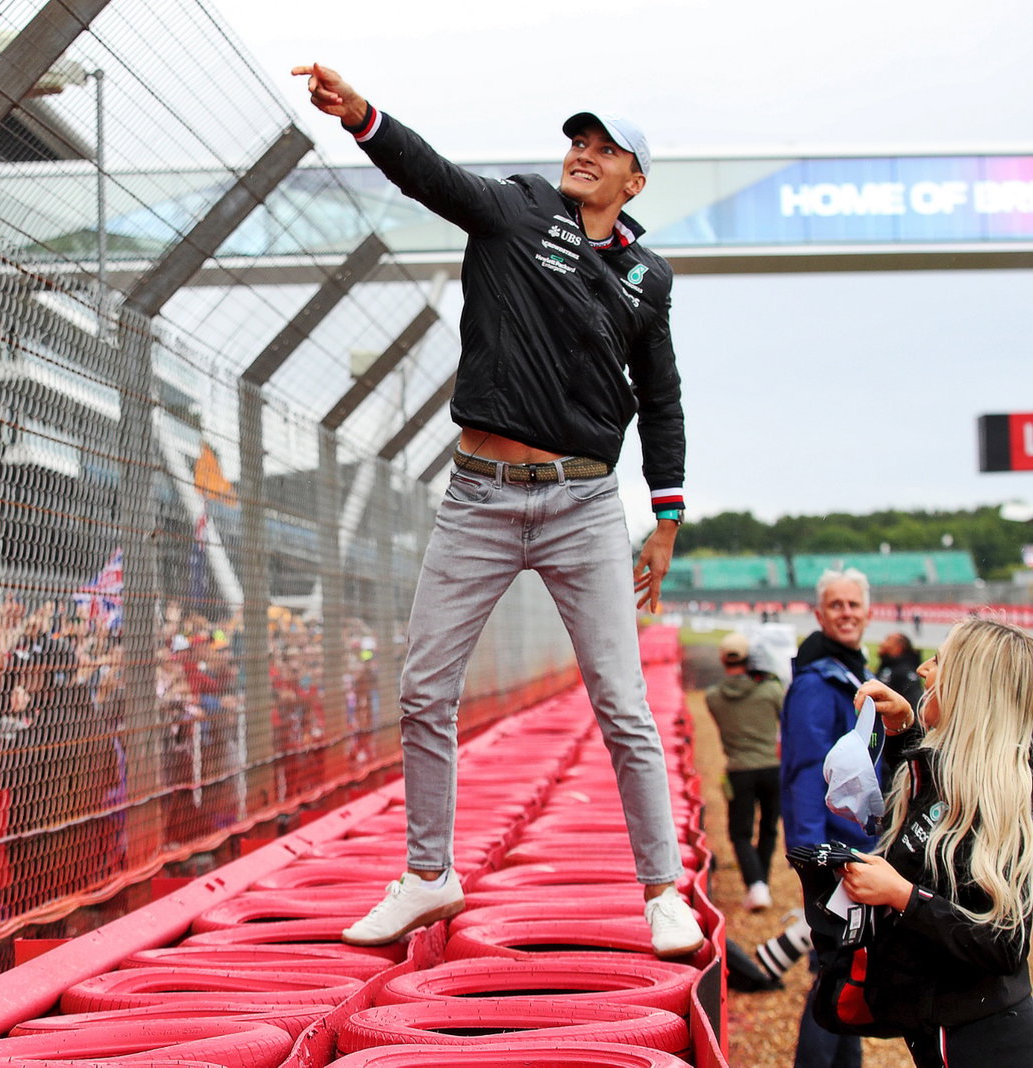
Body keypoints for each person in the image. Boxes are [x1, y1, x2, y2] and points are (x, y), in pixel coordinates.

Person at [294, 63, 702, 958]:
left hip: (585, 503)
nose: (585, 154)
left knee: (623, 705)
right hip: (478, 496)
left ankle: (661, 891)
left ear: (635, 180)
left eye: (606, 148)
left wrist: (665, 520)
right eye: (578, 141)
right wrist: (363, 116)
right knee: (423, 689)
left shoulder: (649, 280)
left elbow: (662, 400)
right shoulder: (520, 209)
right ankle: (430, 875)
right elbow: (431, 175)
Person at [842, 619, 1033, 1066]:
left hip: (984, 1042)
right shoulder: (968, 777)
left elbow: (1004, 944)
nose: (924, 670)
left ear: (970, 688)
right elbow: (938, 812)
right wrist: (904, 730)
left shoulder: (1008, 798)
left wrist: (902, 897)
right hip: (946, 1028)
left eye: (940, 661)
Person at [781, 568, 876, 1068]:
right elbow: (803, 772)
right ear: (819, 615)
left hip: (858, 849)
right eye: (835, 605)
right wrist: (812, 857)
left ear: (868, 612)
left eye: (852, 604)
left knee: (849, 972)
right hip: (835, 855)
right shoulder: (818, 684)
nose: (845, 613)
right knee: (834, 975)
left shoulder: (852, 672)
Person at [704, 631, 783, 911]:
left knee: (740, 832)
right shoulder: (772, 690)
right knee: (769, 828)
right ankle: (761, 882)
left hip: (739, 770)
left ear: (724, 660)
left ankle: (756, 884)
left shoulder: (713, 697)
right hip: (772, 768)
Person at [875, 631, 924, 713]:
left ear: (898, 647)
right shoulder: (887, 666)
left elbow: (915, 707)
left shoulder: (905, 673)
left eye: (887, 640)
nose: (882, 643)